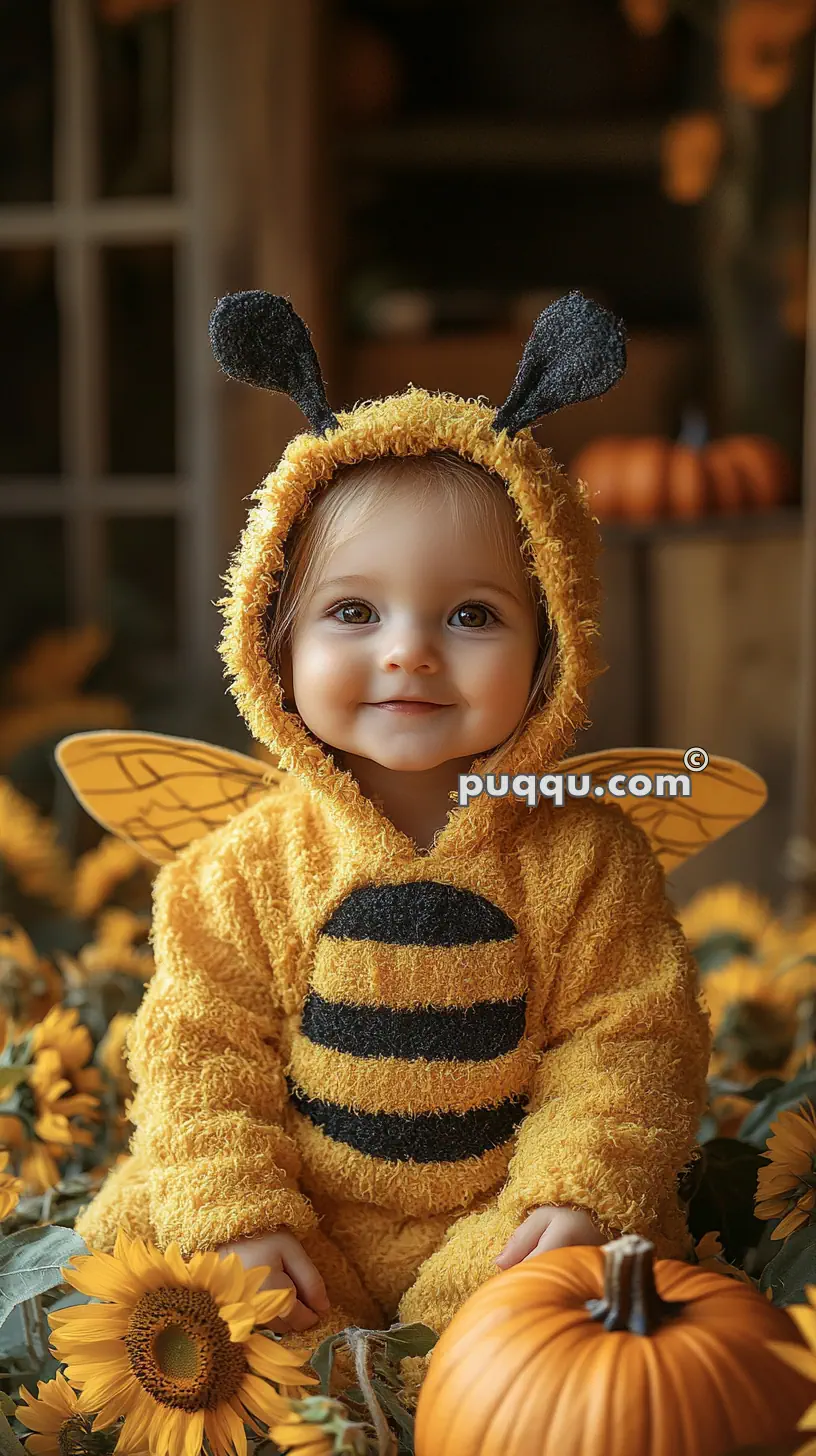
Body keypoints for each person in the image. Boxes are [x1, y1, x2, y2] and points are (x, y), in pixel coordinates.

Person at [73, 290, 711, 1365]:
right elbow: (198, 1052)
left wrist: (573, 1194)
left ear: (553, 644)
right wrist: (241, 1211)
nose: (410, 651)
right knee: (147, 1233)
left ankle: (460, 1349)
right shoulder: (237, 871)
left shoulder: (587, 858)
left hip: (505, 1216)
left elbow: (631, 1041)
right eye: (354, 612)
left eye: (471, 614)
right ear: (271, 641)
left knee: (609, 1274)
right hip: (297, 1227)